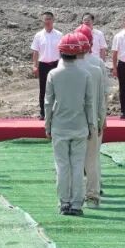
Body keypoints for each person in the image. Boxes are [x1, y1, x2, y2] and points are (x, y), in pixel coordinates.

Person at [44, 33, 94, 216]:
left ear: (60, 52)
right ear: (78, 52)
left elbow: (48, 102)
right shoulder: (85, 75)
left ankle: (64, 202)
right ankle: (77, 204)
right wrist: (91, 126)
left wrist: (47, 125)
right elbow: (89, 103)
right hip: (80, 126)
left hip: (59, 126)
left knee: (62, 166)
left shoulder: (53, 74)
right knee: (78, 166)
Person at [74, 29, 106, 208]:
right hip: (93, 120)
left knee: (72, 161)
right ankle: (93, 195)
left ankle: (72, 197)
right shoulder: (97, 66)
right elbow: (102, 95)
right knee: (92, 159)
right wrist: (102, 119)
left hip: (71, 122)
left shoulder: (60, 69)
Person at [31, 11, 62, 120]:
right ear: (42, 21)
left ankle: (56, 112)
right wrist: (35, 66)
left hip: (56, 65)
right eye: (45, 19)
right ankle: (43, 112)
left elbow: (62, 51)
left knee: (57, 89)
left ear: (53, 20)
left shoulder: (59, 35)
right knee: (43, 89)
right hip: (43, 65)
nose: (47, 21)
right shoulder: (38, 35)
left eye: (49, 19)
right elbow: (35, 52)